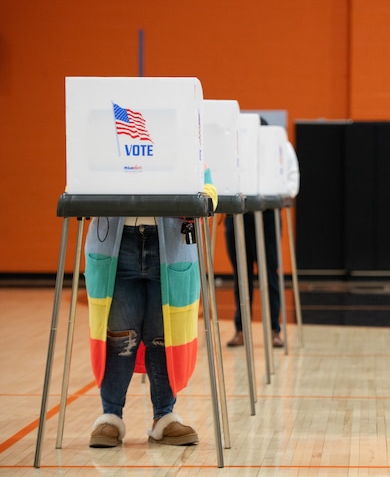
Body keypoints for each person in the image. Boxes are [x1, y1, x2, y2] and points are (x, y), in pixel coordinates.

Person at [85, 167, 218, 448]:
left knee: (164, 335)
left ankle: (165, 416)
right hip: (115, 244)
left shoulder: (182, 134)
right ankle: (110, 416)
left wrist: (201, 201)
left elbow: (207, 183)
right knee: (119, 335)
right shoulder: (108, 130)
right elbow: (84, 173)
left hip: (169, 242)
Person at [226, 130, 300, 349]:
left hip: (267, 213)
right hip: (238, 214)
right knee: (241, 275)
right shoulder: (236, 147)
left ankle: (274, 331)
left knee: (269, 274)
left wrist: (274, 192)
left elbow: (292, 179)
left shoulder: (282, 147)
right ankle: (240, 330)